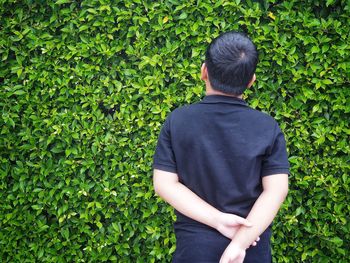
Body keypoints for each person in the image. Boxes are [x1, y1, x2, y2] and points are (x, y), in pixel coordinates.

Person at [152, 31, 289, 263]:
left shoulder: (178, 121)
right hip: (250, 251)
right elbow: (276, 190)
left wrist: (218, 220)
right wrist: (240, 243)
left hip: (194, 253)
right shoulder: (267, 127)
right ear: (251, 81)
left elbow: (164, 185)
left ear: (204, 71)